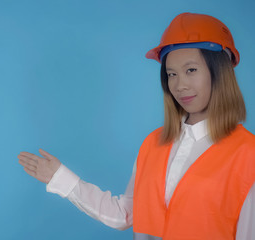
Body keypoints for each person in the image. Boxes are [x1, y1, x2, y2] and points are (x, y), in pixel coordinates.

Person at [17, 12, 255, 240]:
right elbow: (124, 214)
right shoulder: (153, 144)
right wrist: (60, 177)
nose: (180, 85)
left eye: (191, 70)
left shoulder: (248, 154)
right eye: (171, 74)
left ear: (220, 72)